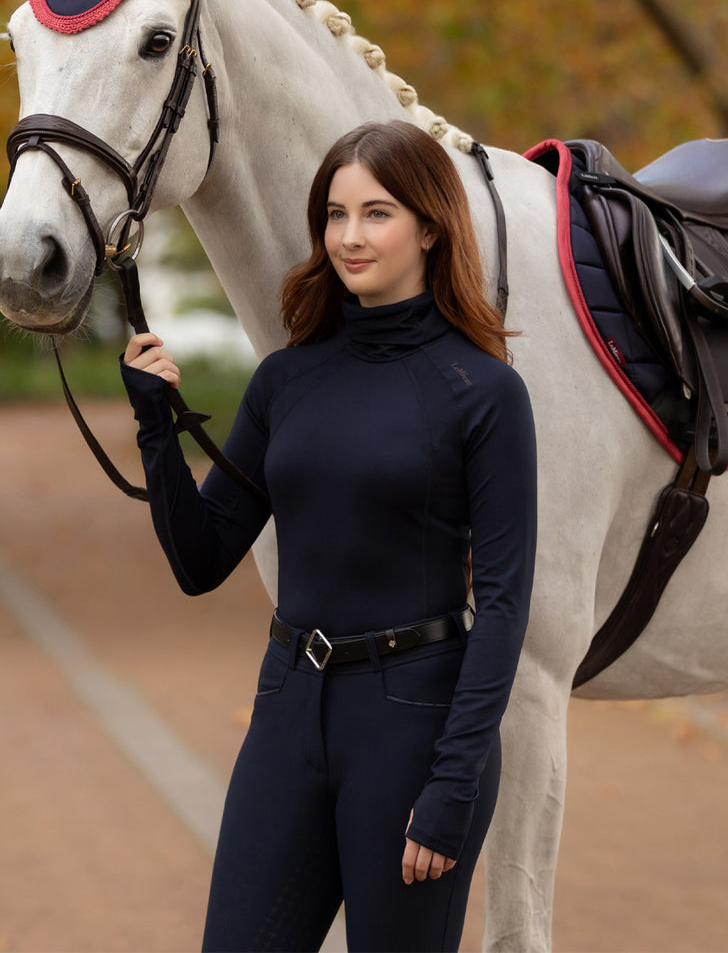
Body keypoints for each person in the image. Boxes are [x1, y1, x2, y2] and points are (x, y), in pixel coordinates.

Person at [120, 120, 538, 953]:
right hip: (288, 710)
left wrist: (454, 784)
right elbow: (201, 560)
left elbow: (503, 606)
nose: (350, 237)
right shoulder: (287, 379)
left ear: (430, 227)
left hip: (414, 726)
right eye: (335, 215)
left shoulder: (484, 392)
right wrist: (156, 427)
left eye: (377, 213)